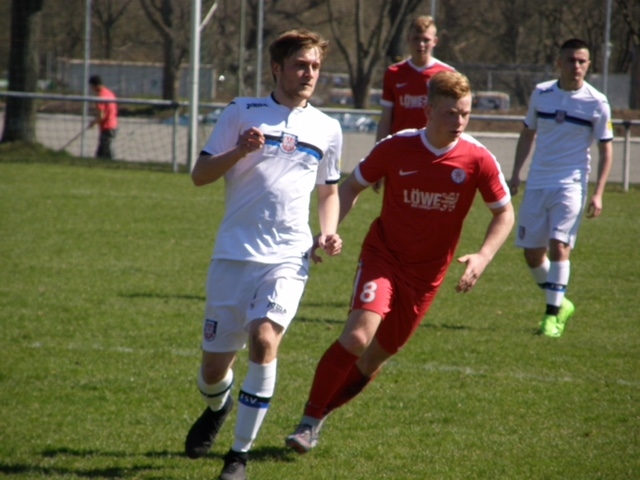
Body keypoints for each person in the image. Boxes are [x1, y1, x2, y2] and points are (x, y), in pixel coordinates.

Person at [285, 71, 514, 454]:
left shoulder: (477, 158)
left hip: (427, 277)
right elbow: (351, 186)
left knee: (374, 358)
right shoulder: (396, 147)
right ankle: (308, 420)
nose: (459, 121)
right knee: (358, 337)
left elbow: (504, 213)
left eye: (465, 113)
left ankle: (320, 417)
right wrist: (328, 230)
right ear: (428, 110)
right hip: (384, 257)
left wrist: (483, 255)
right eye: (450, 113)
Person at [184, 29, 343, 480]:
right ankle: (218, 406)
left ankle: (238, 455)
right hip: (234, 254)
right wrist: (239, 150)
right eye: (300, 65)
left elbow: (329, 191)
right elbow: (200, 175)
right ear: (277, 68)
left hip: (289, 255)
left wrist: (328, 233)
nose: (309, 73)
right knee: (213, 370)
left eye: (315, 66)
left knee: (264, 339)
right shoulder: (241, 111)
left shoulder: (328, 128)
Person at [508, 38, 614, 338]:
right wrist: (516, 173)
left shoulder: (597, 102)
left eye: (581, 61)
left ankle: (552, 317)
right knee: (532, 254)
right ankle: (561, 300)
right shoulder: (541, 94)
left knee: (559, 246)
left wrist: (598, 192)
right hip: (537, 182)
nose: (576, 66)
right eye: (570, 60)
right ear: (559, 63)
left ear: (589, 65)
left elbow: (606, 149)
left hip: (571, 184)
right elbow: (527, 134)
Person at [375, 15, 455, 142]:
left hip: (433, 147)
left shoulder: (447, 74)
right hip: (401, 145)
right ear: (408, 39)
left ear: (435, 41)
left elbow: (453, 118)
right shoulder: (393, 73)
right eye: (416, 39)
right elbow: (385, 119)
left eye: (426, 40)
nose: (421, 44)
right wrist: (379, 149)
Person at [88, 75, 118, 159]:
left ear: (95, 85)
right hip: (113, 125)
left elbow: (101, 116)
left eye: (92, 87)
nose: (92, 89)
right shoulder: (109, 93)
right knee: (101, 152)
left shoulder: (100, 97)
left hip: (107, 127)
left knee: (107, 152)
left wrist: (93, 123)